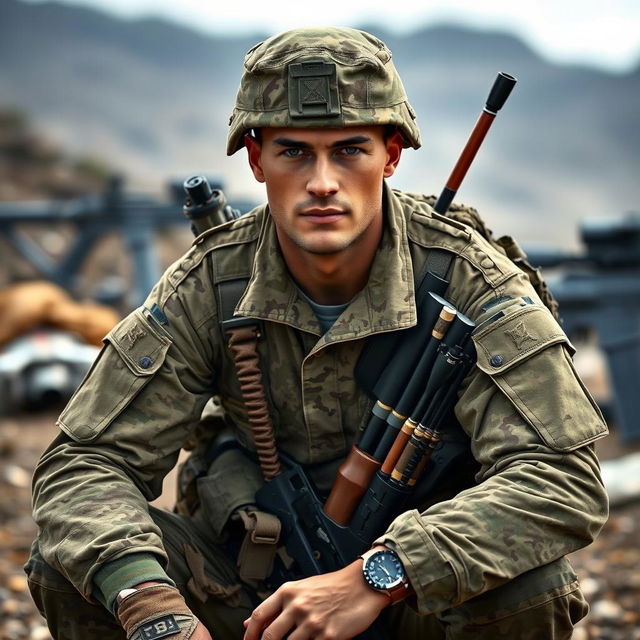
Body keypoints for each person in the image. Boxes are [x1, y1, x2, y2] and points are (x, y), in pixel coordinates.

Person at [26, 26, 608, 640]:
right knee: (78, 567)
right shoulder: (212, 283)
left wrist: (380, 574)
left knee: (531, 588)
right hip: (253, 594)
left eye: (350, 150)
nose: (323, 181)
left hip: (415, 598)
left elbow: (561, 477)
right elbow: (85, 464)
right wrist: (152, 612)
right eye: (295, 151)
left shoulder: (468, 279)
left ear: (391, 154)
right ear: (256, 159)